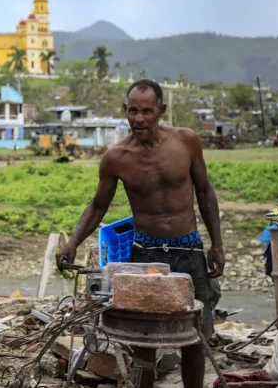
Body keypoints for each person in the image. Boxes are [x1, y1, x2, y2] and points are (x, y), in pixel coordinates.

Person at [56, 79, 225, 388]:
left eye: (147, 111)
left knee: (194, 336)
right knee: (144, 339)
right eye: (133, 111)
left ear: (161, 110)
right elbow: (98, 205)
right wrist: (73, 243)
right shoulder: (117, 157)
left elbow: (204, 191)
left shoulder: (186, 141)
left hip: (188, 248)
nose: (139, 119)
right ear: (125, 110)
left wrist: (217, 245)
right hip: (145, 252)